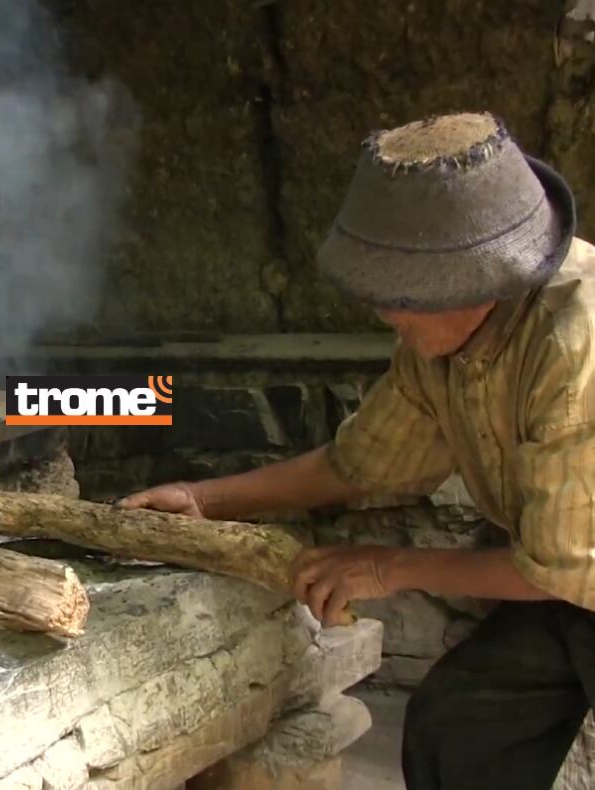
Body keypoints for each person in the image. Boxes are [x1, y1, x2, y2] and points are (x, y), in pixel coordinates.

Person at [118, 112, 595, 790]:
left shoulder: (574, 345)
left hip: (571, 572)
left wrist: (386, 566)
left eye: (403, 299)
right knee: (459, 726)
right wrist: (205, 500)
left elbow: (558, 567)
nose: (386, 316)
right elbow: (358, 464)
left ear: (482, 281)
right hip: (566, 584)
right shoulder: (439, 349)